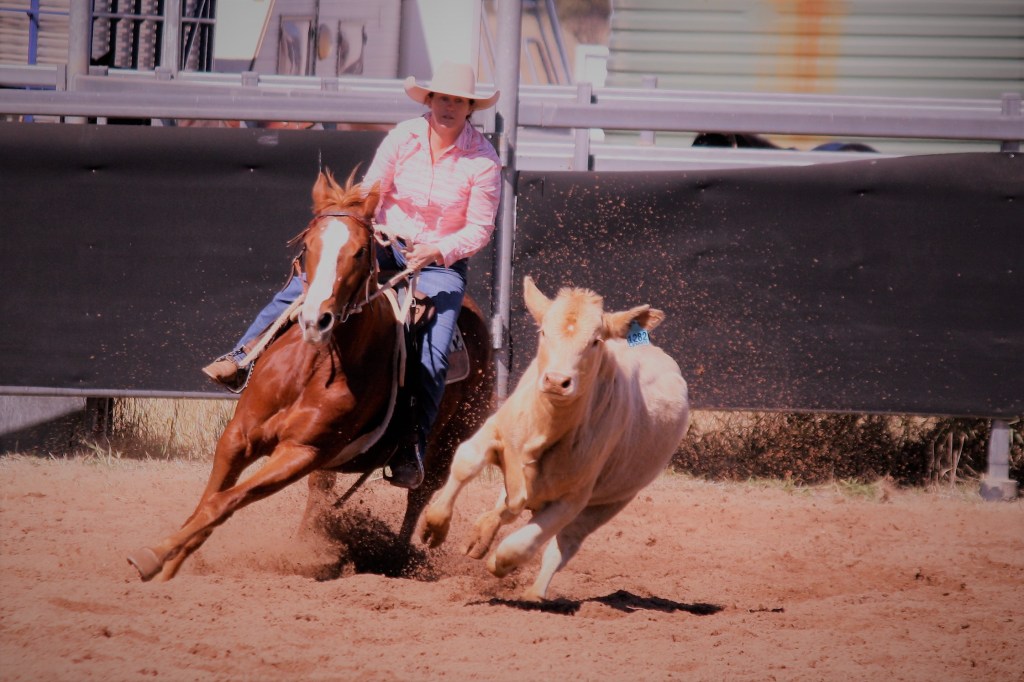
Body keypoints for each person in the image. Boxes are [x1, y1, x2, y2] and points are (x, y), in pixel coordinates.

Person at [201, 62, 502, 490]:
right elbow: (372, 189)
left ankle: (414, 444)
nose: (448, 107)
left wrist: (438, 249)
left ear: (469, 108)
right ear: (431, 101)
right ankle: (242, 356)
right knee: (309, 284)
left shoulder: (483, 160)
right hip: (384, 242)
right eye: (442, 98)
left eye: (457, 101)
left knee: (434, 354)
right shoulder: (404, 137)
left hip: (440, 264)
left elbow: (479, 229)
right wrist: (363, 223)